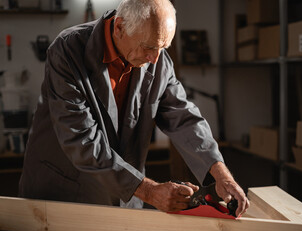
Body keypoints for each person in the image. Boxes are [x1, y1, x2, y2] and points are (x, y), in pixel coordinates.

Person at [19, 0, 249, 217]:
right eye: (149, 47)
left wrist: (221, 174)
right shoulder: (67, 50)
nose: (154, 59)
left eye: (163, 47)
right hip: (64, 194)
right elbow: (80, 139)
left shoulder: (158, 59)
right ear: (119, 27)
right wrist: (149, 191)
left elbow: (184, 119)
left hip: (125, 195)